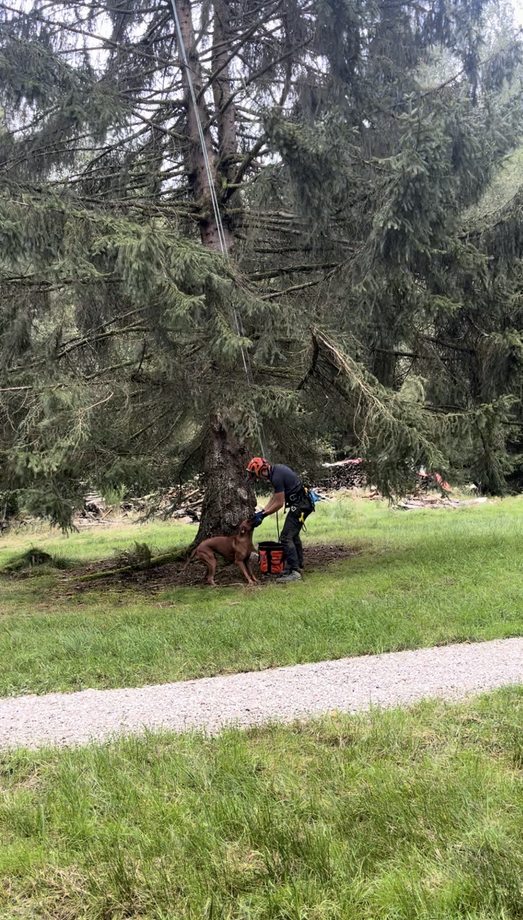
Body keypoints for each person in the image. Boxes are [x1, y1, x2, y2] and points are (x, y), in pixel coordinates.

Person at [246, 457, 314, 582]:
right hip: (302, 503)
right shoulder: (275, 472)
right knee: (293, 536)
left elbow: (278, 503)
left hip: (301, 506)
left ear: (261, 471)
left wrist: (264, 515)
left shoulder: (276, 476)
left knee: (285, 537)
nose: (256, 478)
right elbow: (274, 497)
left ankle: (295, 572)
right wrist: (261, 512)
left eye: (255, 475)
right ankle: (297, 566)